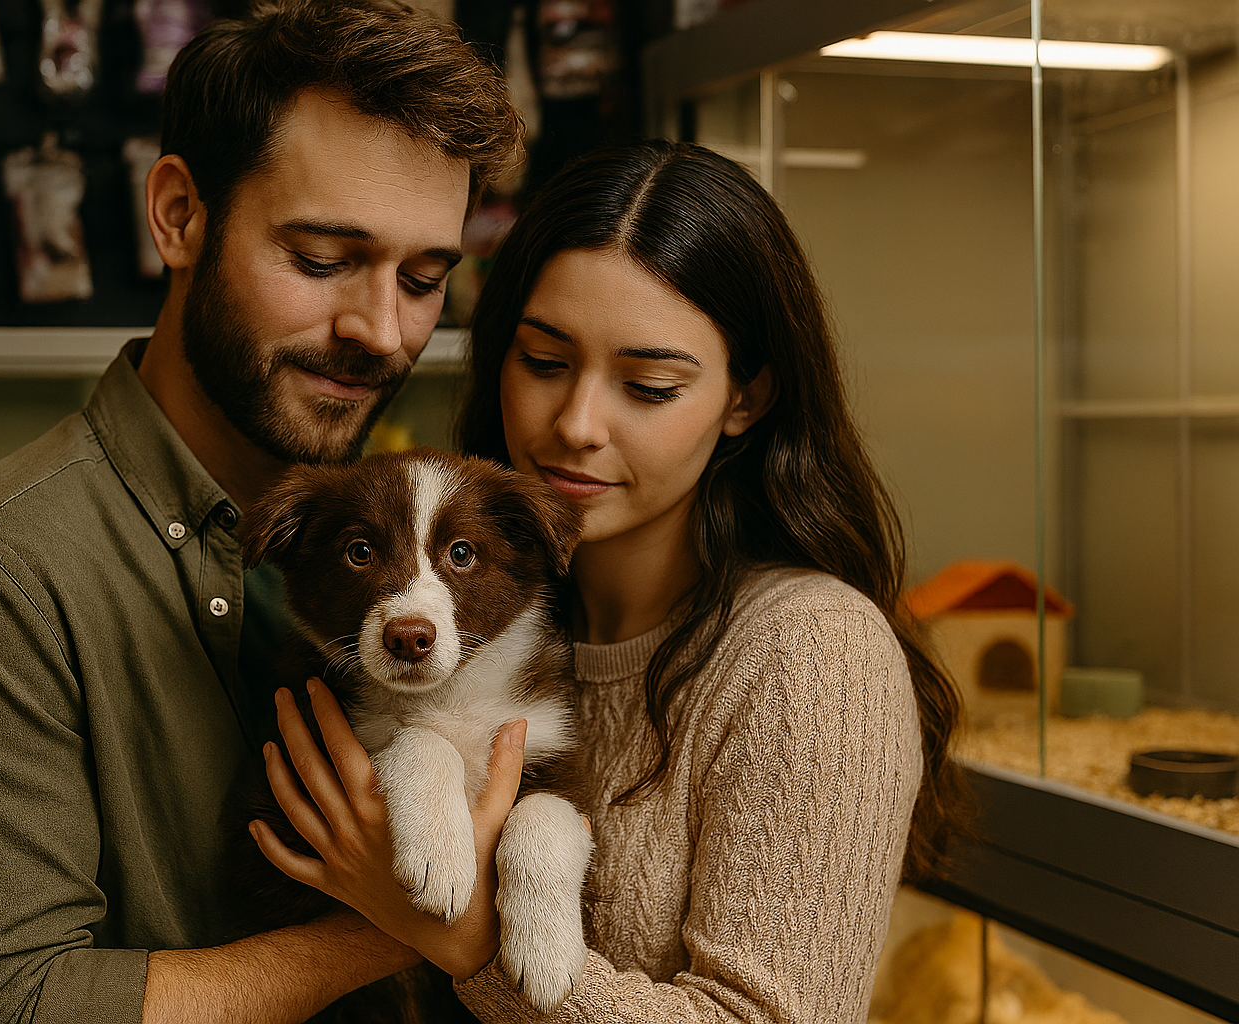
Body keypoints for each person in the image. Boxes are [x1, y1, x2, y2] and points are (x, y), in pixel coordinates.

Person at [0, 3, 522, 1022]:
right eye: (323, 259)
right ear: (178, 215)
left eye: (423, 278)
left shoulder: (408, 549)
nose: (381, 331)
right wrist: (396, 928)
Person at [250, 139, 967, 1022]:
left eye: (650, 384)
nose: (576, 424)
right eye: (544, 363)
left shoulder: (813, 657)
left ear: (746, 398)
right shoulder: (503, 614)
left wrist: (474, 942)